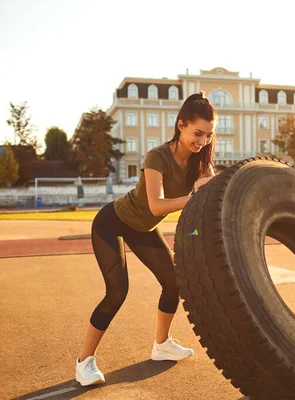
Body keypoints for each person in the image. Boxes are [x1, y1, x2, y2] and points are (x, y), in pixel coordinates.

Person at [75, 92, 217, 386]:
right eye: (197, 133)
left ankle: (161, 345)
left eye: (208, 135)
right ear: (181, 125)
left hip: (144, 229)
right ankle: (84, 362)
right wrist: (192, 197)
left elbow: (212, 193)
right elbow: (156, 205)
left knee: (173, 283)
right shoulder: (157, 156)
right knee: (117, 291)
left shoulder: (200, 162)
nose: (202, 141)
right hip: (112, 223)